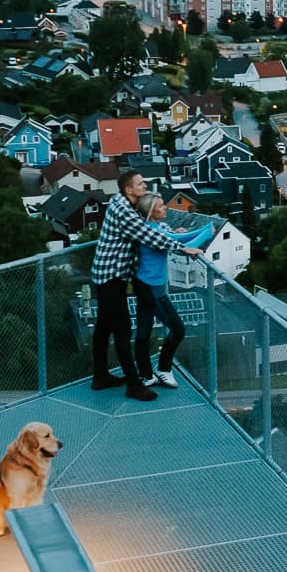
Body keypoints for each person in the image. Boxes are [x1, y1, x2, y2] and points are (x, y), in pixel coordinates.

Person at [89, 168, 193, 400]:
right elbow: (148, 234)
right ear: (128, 190)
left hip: (109, 275)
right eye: (140, 184)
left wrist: (173, 234)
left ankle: (100, 376)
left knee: (104, 328)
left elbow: (153, 227)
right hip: (111, 277)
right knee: (123, 330)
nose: (144, 186)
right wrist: (182, 248)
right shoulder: (124, 210)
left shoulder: (122, 203)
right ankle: (134, 385)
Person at [133, 196, 217, 385]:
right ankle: (163, 369)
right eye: (161, 206)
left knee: (144, 331)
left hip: (147, 284)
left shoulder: (155, 228)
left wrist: (203, 229)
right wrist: (207, 233)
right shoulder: (150, 232)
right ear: (150, 213)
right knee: (178, 329)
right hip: (150, 288)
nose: (166, 208)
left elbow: (178, 237)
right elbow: (184, 246)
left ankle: (146, 375)